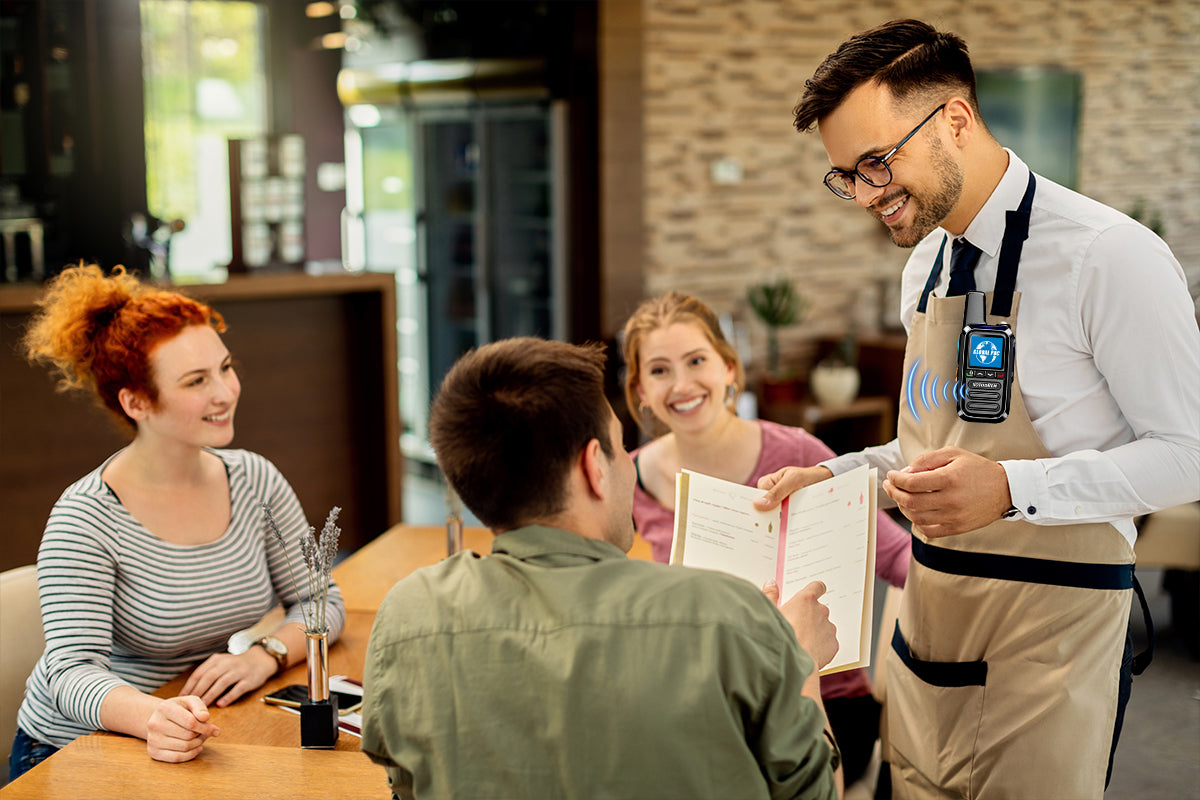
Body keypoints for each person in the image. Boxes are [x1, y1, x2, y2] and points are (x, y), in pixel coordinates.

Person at [755, 19, 1200, 800]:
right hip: (929, 621)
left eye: (876, 162)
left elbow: (1186, 453)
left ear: (955, 121)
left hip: (1053, 634)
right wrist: (837, 476)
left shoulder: (1111, 256)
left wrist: (1007, 490)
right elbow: (928, 444)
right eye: (845, 175)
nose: (864, 194)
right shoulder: (926, 262)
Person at [360, 337, 843, 800]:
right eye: (618, 447)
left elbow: (407, 785)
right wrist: (801, 662)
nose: (629, 469)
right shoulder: (730, 617)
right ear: (595, 465)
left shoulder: (407, 617)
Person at [10, 264, 346, 780]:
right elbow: (69, 672)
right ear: (137, 402)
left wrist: (264, 655)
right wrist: (151, 716)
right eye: (196, 381)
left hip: (193, 724)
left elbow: (320, 601)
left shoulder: (254, 478)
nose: (225, 393)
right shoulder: (86, 516)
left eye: (225, 367)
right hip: (77, 750)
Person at [622, 291, 911, 786]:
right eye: (660, 370)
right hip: (707, 700)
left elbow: (898, 556)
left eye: (696, 361)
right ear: (640, 390)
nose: (682, 384)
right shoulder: (629, 480)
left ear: (729, 369)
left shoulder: (796, 453)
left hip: (826, 699)